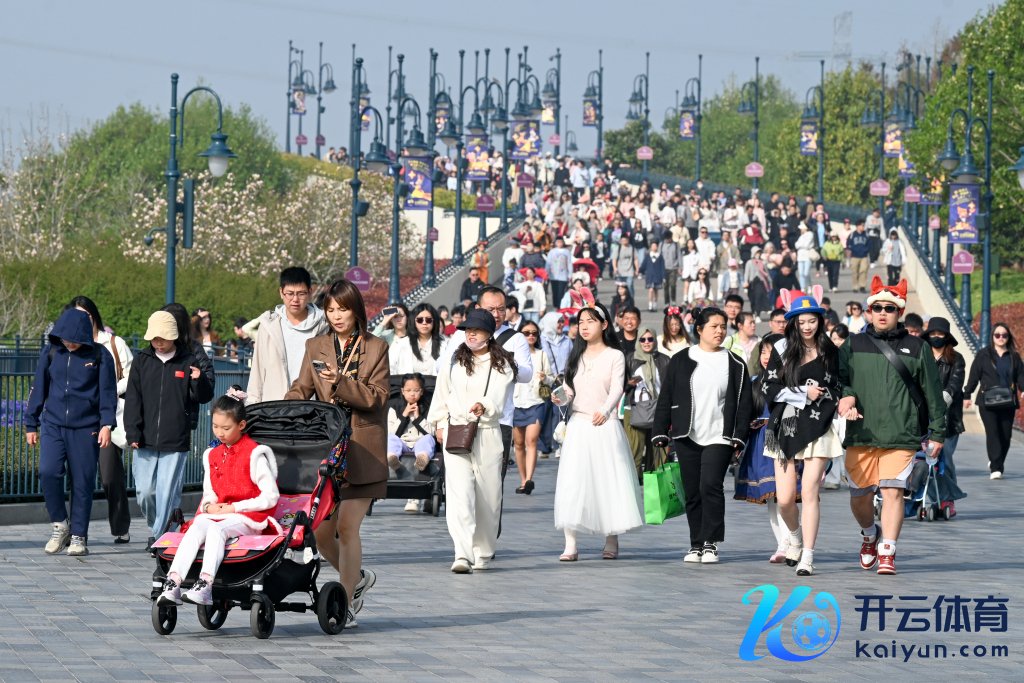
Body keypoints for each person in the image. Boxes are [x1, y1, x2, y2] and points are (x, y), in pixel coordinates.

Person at [285, 279, 389, 628]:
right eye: (330, 310)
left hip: (363, 451)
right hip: (327, 453)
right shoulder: (315, 345)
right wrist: (282, 408)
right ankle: (357, 579)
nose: (336, 316)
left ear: (355, 310)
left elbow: (377, 397)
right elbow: (302, 388)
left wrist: (341, 382)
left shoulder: (376, 348)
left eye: (342, 309)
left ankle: (343, 602)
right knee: (322, 533)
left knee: (347, 526)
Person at [836, 277, 946, 575]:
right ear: (869, 312)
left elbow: (933, 393)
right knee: (860, 498)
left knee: (893, 492)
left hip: (902, 434)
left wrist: (938, 433)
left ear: (899, 312)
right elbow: (838, 380)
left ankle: (888, 550)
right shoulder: (853, 345)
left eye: (889, 308)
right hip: (861, 434)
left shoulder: (917, 347)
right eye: (877, 307)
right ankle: (870, 535)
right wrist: (846, 397)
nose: (882, 313)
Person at [156, 387, 281, 607]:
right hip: (221, 514)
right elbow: (210, 492)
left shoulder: (254, 454)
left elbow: (271, 497)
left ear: (241, 425)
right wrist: (208, 506)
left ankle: (205, 584)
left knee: (215, 529)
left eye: (226, 428)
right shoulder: (212, 454)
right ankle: (173, 581)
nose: (219, 433)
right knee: (197, 526)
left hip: (249, 517)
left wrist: (234, 508)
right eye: (215, 426)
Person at [653, 307, 754, 564]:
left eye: (723, 326)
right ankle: (695, 543)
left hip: (720, 435)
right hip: (687, 433)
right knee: (692, 490)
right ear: (699, 329)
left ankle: (711, 542)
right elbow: (666, 397)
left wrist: (739, 436)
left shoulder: (735, 363)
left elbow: (744, 404)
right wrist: (660, 432)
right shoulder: (681, 359)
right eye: (714, 326)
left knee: (710, 485)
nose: (720, 331)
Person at [427, 309, 517, 573]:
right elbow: (441, 394)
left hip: (487, 433)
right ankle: (462, 553)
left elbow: (499, 397)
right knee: (459, 494)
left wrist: (484, 405)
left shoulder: (501, 363)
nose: (471, 334)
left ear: (489, 334)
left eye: (477, 330)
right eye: (468, 330)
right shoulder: (455, 360)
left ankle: (484, 551)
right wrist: (439, 424)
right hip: (456, 431)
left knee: (488, 496)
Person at [552, 303, 643, 561]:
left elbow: (617, 388)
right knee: (573, 481)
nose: (584, 326)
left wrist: (605, 409)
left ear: (604, 325)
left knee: (607, 481)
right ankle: (570, 543)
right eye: (581, 322)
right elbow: (570, 389)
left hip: (604, 424)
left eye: (590, 321)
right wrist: (560, 396)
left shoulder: (614, 355)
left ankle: (611, 538)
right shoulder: (576, 356)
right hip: (579, 424)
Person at [25, 308, 117, 556]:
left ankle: (79, 536)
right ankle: (60, 525)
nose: (70, 343)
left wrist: (106, 424)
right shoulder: (52, 352)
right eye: (65, 338)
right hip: (53, 424)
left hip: (86, 428)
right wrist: (30, 423)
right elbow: (39, 388)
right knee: (48, 472)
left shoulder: (100, 355)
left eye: (75, 339)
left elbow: (107, 393)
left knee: (83, 482)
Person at [763, 290, 842, 576]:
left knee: (809, 492)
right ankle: (793, 536)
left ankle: (808, 554)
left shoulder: (831, 351)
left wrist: (841, 402)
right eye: (802, 321)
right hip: (784, 425)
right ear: (793, 323)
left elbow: (839, 386)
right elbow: (768, 388)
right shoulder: (781, 349)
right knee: (784, 499)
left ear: (820, 321)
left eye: (812, 321)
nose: (807, 326)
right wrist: (801, 392)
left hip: (819, 425)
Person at [124, 311, 215, 551]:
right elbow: (133, 398)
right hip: (143, 438)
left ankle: (159, 536)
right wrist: (132, 432)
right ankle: (160, 527)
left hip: (175, 438)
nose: (158, 343)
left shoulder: (188, 361)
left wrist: (198, 380)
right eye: (154, 339)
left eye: (163, 338)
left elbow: (203, 397)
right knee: (145, 492)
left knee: (166, 491)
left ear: (174, 337)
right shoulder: (142, 360)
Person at [70, 296, 134, 545]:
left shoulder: (114, 343)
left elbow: (132, 375)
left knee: (109, 476)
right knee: (79, 476)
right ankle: (76, 532)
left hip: (108, 417)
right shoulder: (70, 344)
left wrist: (109, 391)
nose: (83, 319)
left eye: (86, 313)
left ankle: (120, 526)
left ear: (94, 314)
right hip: (81, 419)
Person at [733, 333, 793, 563]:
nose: (767, 357)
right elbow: (745, 413)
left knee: (786, 496)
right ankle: (783, 543)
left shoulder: (792, 380)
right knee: (772, 497)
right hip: (761, 441)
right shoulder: (754, 382)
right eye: (764, 351)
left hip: (786, 437)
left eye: (773, 351)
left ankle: (792, 540)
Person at [245, 267, 329, 405]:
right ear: (281, 293)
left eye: (301, 293)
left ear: (310, 292)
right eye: (290, 293)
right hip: (274, 407)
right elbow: (257, 372)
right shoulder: (269, 326)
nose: (295, 299)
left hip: (311, 409)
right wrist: (251, 406)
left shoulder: (323, 326)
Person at [964, 322, 1024, 480]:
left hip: (1007, 401)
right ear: (992, 337)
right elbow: (974, 376)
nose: (1001, 338)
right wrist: (967, 395)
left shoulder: (1014, 357)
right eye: (997, 335)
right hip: (987, 402)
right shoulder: (983, 355)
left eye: (1004, 335)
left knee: (1006, 436)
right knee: (993, 433)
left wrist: (1023, 389)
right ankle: (996, 468)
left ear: (1008, 337)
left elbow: (1020, 376)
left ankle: (996, 461)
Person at [923, 318, 967, 508]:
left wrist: (940, 400)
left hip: (949, 420)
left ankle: (948, 499)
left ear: (947, 336)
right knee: (925, 461)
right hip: (924, 418)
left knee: (945, 459)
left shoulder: (956, 359)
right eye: (932, 334)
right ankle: (931, 497)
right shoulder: (922, 356)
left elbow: (955, 384)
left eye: (940, 334)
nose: (936, 337)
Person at [623, 328, 670, 482]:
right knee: (635, 449)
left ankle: (657, 483)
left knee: (659, 450)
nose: (647, 343)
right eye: (643, 339)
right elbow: (618, 385)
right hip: (635, 409)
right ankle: (634, 483)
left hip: (658, 409)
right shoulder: (630, 359)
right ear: (638, 341)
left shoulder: (663, 360)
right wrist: (629, 384)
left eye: (650, 339)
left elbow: (669, 385)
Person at [511, 320, 551, 494]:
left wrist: (545, 378)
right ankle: (522, 479)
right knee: (519, 444)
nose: (531, 336)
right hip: (515, 402)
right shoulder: (511, 355)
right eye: (526, 333)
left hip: (536, 401)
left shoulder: (541, 354)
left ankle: (529, 480)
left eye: (534, 333)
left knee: (531, 440)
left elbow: (551, 378)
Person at [386, 373, 436, 512]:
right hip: (402, 442)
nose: (412, 394)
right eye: (408, 391)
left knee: (428, 440)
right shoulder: (394, 406)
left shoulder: (428, 407)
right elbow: (392, 432)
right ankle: (392, 457)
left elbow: (430, 432)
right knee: (391, 440)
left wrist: (418, 418)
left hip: (419, 441)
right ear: (402, 391)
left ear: (422, 391)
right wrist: (404, 416)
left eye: (416, 390)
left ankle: (423, 458)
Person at [392, 303, 443, 375]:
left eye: (428, 320)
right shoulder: (401, 344)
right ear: (413, 321)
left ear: (434, 322)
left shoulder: (445, 345)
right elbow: (391, 370)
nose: (424, 323)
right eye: (420, 320)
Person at [639, 240, 666, 312]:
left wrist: (663, 276)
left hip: (658, 276)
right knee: (650, 290)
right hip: (650, 276)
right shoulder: (648, 256)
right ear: (650, 247)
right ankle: (650, 305)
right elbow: (643, 265)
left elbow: (662, 267)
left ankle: (655, 304)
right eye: (653, 246)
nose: (654, 247)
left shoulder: (660, 256)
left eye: (655, 246)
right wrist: (639, 271)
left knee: (656, 291)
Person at [848, 221, 871, 292]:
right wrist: (851, 251)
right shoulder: (852, 234)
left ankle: (862, 286)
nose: (863, 227)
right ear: (857, 226)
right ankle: (855, 287)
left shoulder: (866, 235)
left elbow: (869, 244)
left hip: (864, 256)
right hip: (854, 256)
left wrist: (866, 250)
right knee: (855, 272)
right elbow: (848, 244)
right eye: (861, 225)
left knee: (863, 271)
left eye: (863, 226)